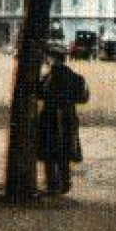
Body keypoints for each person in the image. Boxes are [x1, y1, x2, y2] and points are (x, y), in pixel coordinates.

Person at [38, 47, 90, 195]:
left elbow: (40, 92)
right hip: (68, 115)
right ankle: (65, 183)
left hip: (51, 116)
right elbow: (84, 97)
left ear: (53, 59)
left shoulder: (50, 77)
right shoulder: (74, 76)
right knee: (65, 152)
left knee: (50, 152)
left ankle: (53, 184)